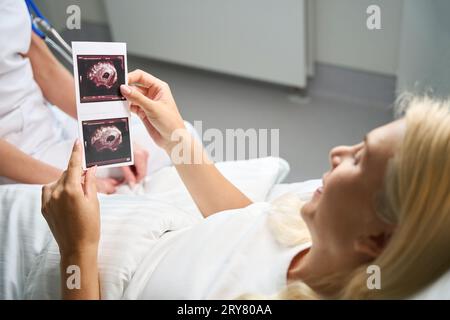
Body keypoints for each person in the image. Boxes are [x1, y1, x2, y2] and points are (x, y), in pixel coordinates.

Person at [40, 69, 450, 300]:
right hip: (120, 230)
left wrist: (78, 251)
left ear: (375, 240)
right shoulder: (325, 221)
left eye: (359, 160)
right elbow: (245, 226)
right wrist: (177, 137)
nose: (337, 152)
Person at [0, 0, 197, 193]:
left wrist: (117, 139)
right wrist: (72, 181)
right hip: (22, 154)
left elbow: (47, 71)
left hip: (52, 120)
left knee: (183, 138)